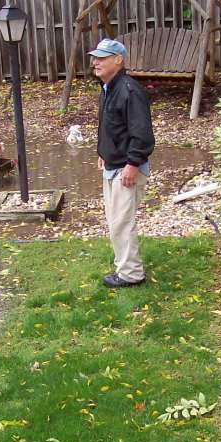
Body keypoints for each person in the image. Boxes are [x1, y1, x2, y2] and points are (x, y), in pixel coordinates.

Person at [89, 38, 155, 288]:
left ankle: (131, 274)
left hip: (126, 169)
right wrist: (104, 152)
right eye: (95, 57)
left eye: (102, 58)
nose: (95, 62)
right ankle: (124, 264)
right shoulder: (108, 88)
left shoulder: (129, 90)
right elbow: (113, 127)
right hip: (113, 164)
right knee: (116, 220)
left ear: (118, 60)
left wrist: (132, 164)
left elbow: (143, 134)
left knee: (122, 222)